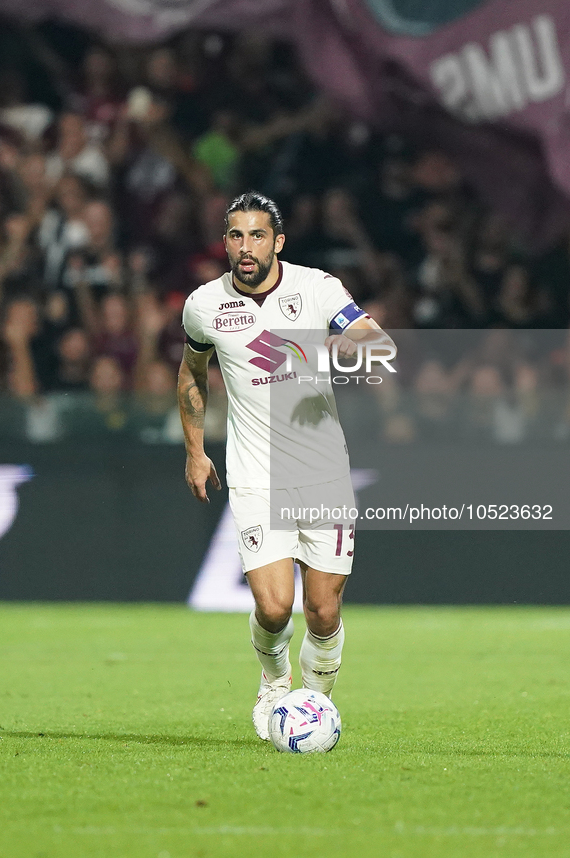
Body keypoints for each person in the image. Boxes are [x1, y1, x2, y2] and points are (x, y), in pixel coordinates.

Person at [178, 191, 395, 740]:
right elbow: (191, 374)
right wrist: (196, 450)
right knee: (275, 608)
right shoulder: (204, 305)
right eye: (235, 236)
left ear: (277, 241)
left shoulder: (316, 289)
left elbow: (379, 344)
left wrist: (349, 349)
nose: (245, 247)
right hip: (254, 477)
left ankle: (315, 705)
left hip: (324, 474)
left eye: (256, 236)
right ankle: (275, 684)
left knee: (323, 611)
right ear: (225, 242)